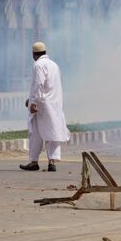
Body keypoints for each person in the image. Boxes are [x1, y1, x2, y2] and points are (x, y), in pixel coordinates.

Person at [20, 42, 70, 172]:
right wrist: (31, 100)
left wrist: (34, 103)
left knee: (35, 132)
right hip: (54, 104)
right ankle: (51, 162)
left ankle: (33, 161)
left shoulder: (38, 65)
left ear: (34, 54)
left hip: (41, 105)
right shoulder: (54, 65)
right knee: (52, 132)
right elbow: (52, 85)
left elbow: (39, 84)